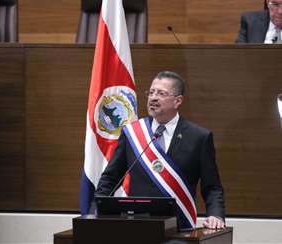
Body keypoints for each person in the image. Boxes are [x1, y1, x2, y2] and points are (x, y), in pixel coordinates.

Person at [96, 71, 225, 230]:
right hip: (138, 226)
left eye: (161, 93)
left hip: (179, 227)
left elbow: (212, 186)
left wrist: (215, 214)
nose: (153, 97)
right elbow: (111, 177)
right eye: (151, 93)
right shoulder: (133, 133)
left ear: (178, 101)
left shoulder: (199, 137)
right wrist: (96, 210)